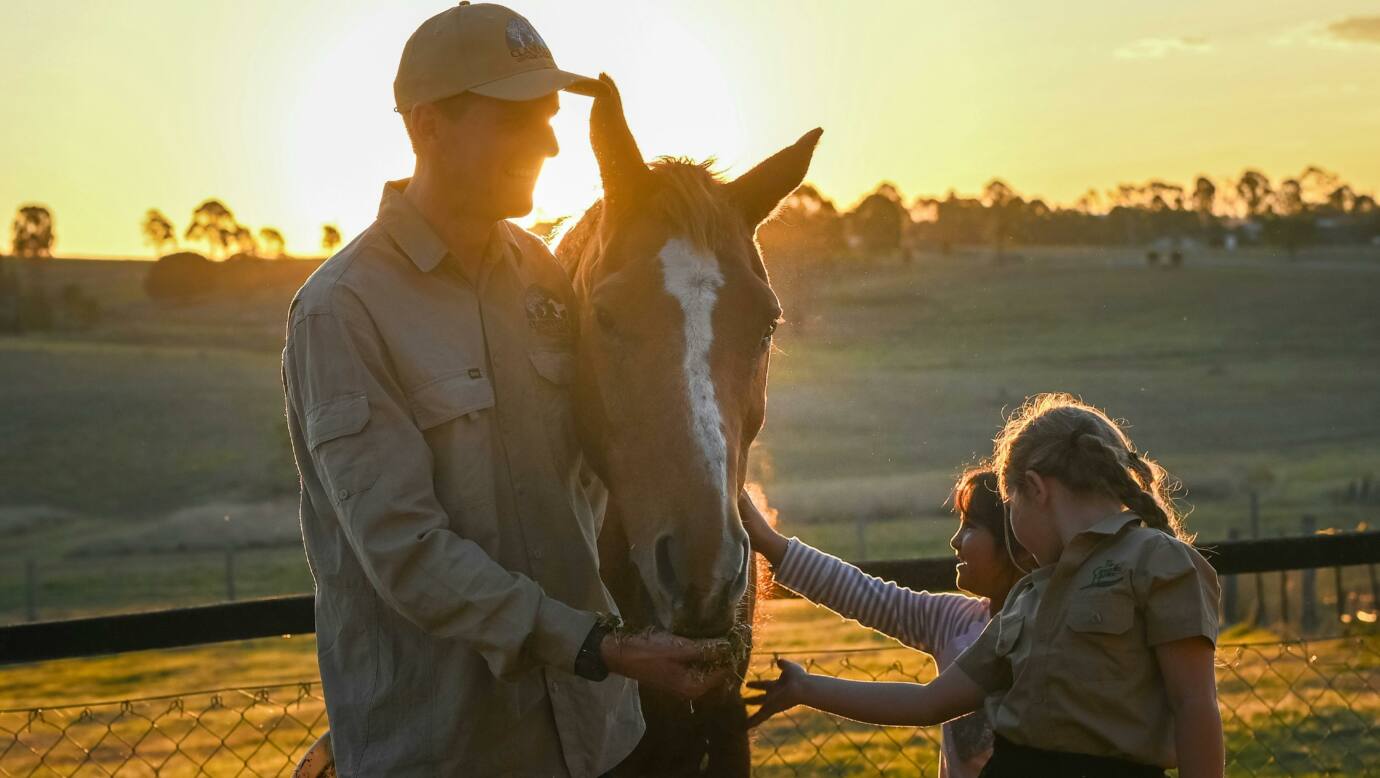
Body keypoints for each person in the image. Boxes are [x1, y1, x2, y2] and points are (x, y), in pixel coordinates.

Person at [281, 5, 729, 776]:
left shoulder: (548, 281)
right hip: (451, 749)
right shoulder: (343, 311)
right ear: (427, 127)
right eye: (519, 119)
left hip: (598, 739)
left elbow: (612, 448)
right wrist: (603, 646)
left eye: (551, 118)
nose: (551, 144)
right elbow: (408, 554)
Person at [745, 393, 1223, 778]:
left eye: (1010, 503)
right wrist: (807, 687)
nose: (1012, 525)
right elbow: (929, 702)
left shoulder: (1158, 562)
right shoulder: (1029, 599)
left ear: (1035, 489)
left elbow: (1194, 704)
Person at [738, 468, 1034, 778]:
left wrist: (805, 688)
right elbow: (864, 595)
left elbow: (924, 705)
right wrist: (768, 542)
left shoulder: (1045, 635)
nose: (955, 540)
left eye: (971, 526)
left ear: (1020, 545)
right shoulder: (956, 621)